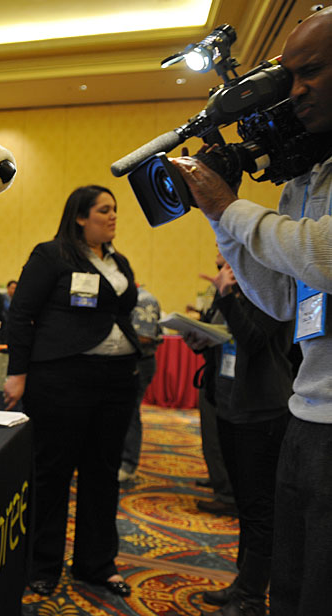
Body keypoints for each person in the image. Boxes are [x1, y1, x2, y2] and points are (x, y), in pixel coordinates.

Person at [170, 7, 332, 614]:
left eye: (311, 71)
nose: (296, 91)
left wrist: (230, 208)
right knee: (289, 591)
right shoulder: (306, 176)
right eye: (290, 76)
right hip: (306, 415)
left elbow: (325, 256)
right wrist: (220, 216)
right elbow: (283, 296)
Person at [3, 185, 140, 598]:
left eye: (115, 209)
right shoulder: (52, 256)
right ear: (80, 217)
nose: (113, 216)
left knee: (103, 473)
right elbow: (21, 314)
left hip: (117, 379)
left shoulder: (118, 261)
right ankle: (42, 564)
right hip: (63, 378)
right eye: (104, 210)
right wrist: (17, 372)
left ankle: (96, 564)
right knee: (53, 473)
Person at [183, 260, 293, 616]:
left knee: (259, 509)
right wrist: (199, 340)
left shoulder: (273, 286)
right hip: (228, 405)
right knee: (244, 505)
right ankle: (243, 582)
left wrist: (226, 295)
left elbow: (253, 340)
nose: (221, 255)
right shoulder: (234, 288)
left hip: (262, 411)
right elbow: (223, 337)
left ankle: (251, 598)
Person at [193, 252, 237, 516]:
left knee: (220, 437)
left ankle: (227, 493)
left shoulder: (242, 284)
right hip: (214, 370)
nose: (217, 248)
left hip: (230, 376)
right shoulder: (221, 285)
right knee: (211, 435)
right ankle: (220, 480)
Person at [118, 282, 162, 482]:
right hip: (124, 362)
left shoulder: (144, 299)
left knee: (131, 413)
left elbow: (145, 337)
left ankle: (128, 464)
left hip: (140, 362)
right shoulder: (121, 298)